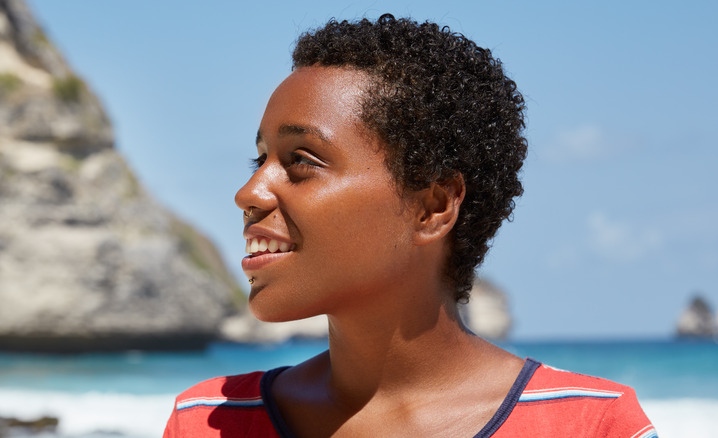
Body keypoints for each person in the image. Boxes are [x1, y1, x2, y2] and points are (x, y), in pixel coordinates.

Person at [164, 14, 656, 438]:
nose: (249, 192)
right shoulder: (210, 420)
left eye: (302, 160)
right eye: (259, 158)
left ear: (433, 207)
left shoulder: (591, 425)